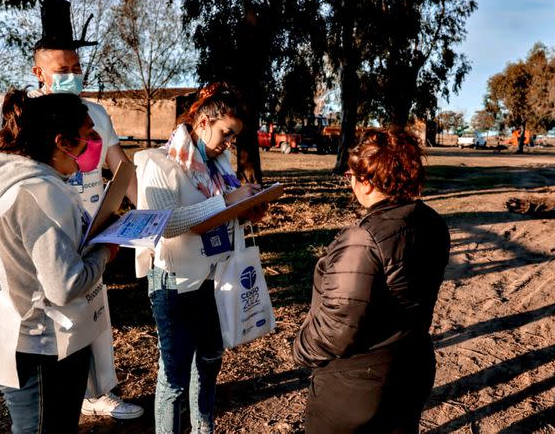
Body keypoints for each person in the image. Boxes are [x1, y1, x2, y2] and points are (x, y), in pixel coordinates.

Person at [0, 0, 143, 419]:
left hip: (90, 226)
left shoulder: (93, 112)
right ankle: (49, 395)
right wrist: (5, 180)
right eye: (63, 71)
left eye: (77, 69)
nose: (72, 77)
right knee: (49, 311)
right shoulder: (17, 110)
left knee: (91, 313)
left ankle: (99, 390)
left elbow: (120, 167)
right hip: (40, 230)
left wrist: (147, 213)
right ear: (38, 71)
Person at [292, 128, 451, 434]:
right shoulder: (431, 221)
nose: (349, 182)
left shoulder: (363, 238)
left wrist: (300, 348)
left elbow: (337, 328)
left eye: (350, 174)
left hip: (358, 385)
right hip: (412, 367)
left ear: (365, 180)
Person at [0, 91, 119, 433]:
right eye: (88, 136)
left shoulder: (26, 184)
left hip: (36, 343)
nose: (94, 146)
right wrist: (107, 251)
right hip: (42, 351)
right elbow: (64, 285)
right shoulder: (39, 194)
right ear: (62, 142)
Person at [134, 85, 265, 433]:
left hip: (216, 277)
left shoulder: (219, 167)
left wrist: (246, 210)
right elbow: (167, 223)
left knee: (210, 361)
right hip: (175, 282)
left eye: (234, 136)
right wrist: (228, 201)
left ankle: (203, 427)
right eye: (226, 133)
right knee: (174, 377)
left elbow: (219, 215)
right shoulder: (158, 162)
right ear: (204, 121)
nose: (229, 143)